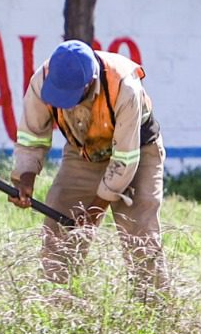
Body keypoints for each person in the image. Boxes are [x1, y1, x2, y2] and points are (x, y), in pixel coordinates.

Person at [10, 39, 166, 287]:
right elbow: (31, 136)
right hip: (83, 151)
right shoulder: (43, 80)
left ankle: (154, 309)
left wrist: (94, 211)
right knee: (58, 229)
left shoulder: (124, 86)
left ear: (90, 82)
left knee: (140, 236)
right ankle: (58, 308)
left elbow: (125, 159)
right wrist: (25, 177)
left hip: (137, 151)